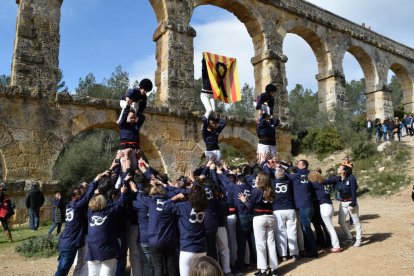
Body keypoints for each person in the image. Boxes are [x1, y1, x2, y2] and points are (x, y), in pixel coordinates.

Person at [54, 173, 102, 276]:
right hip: (70, 243)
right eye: (79, 193)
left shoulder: (70, 206)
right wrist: (95, 181)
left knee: (62, 268)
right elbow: (86, 197)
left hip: (65, 241)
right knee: (62, 271)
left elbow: (85, 197)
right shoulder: (76, 206)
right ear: (73, 197)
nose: (81, 194)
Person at [239, 172, 278, 276]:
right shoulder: (271, 190)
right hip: (270, 217)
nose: (256, 179)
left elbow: (250, 206)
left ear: (260, 179)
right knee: (271, 243)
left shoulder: (256, 190)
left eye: (257, 177)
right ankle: (274, 269)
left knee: (261, 244)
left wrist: (244, 200)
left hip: (259, 217)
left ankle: (263, 269)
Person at [307, 171, 341, 253]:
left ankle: (336, 246)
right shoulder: (324, 182)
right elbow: (336, 178)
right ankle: (335, 245)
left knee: (330, 227)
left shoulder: (315, 184)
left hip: (324, 206)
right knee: (329, 227)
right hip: (330, 205)